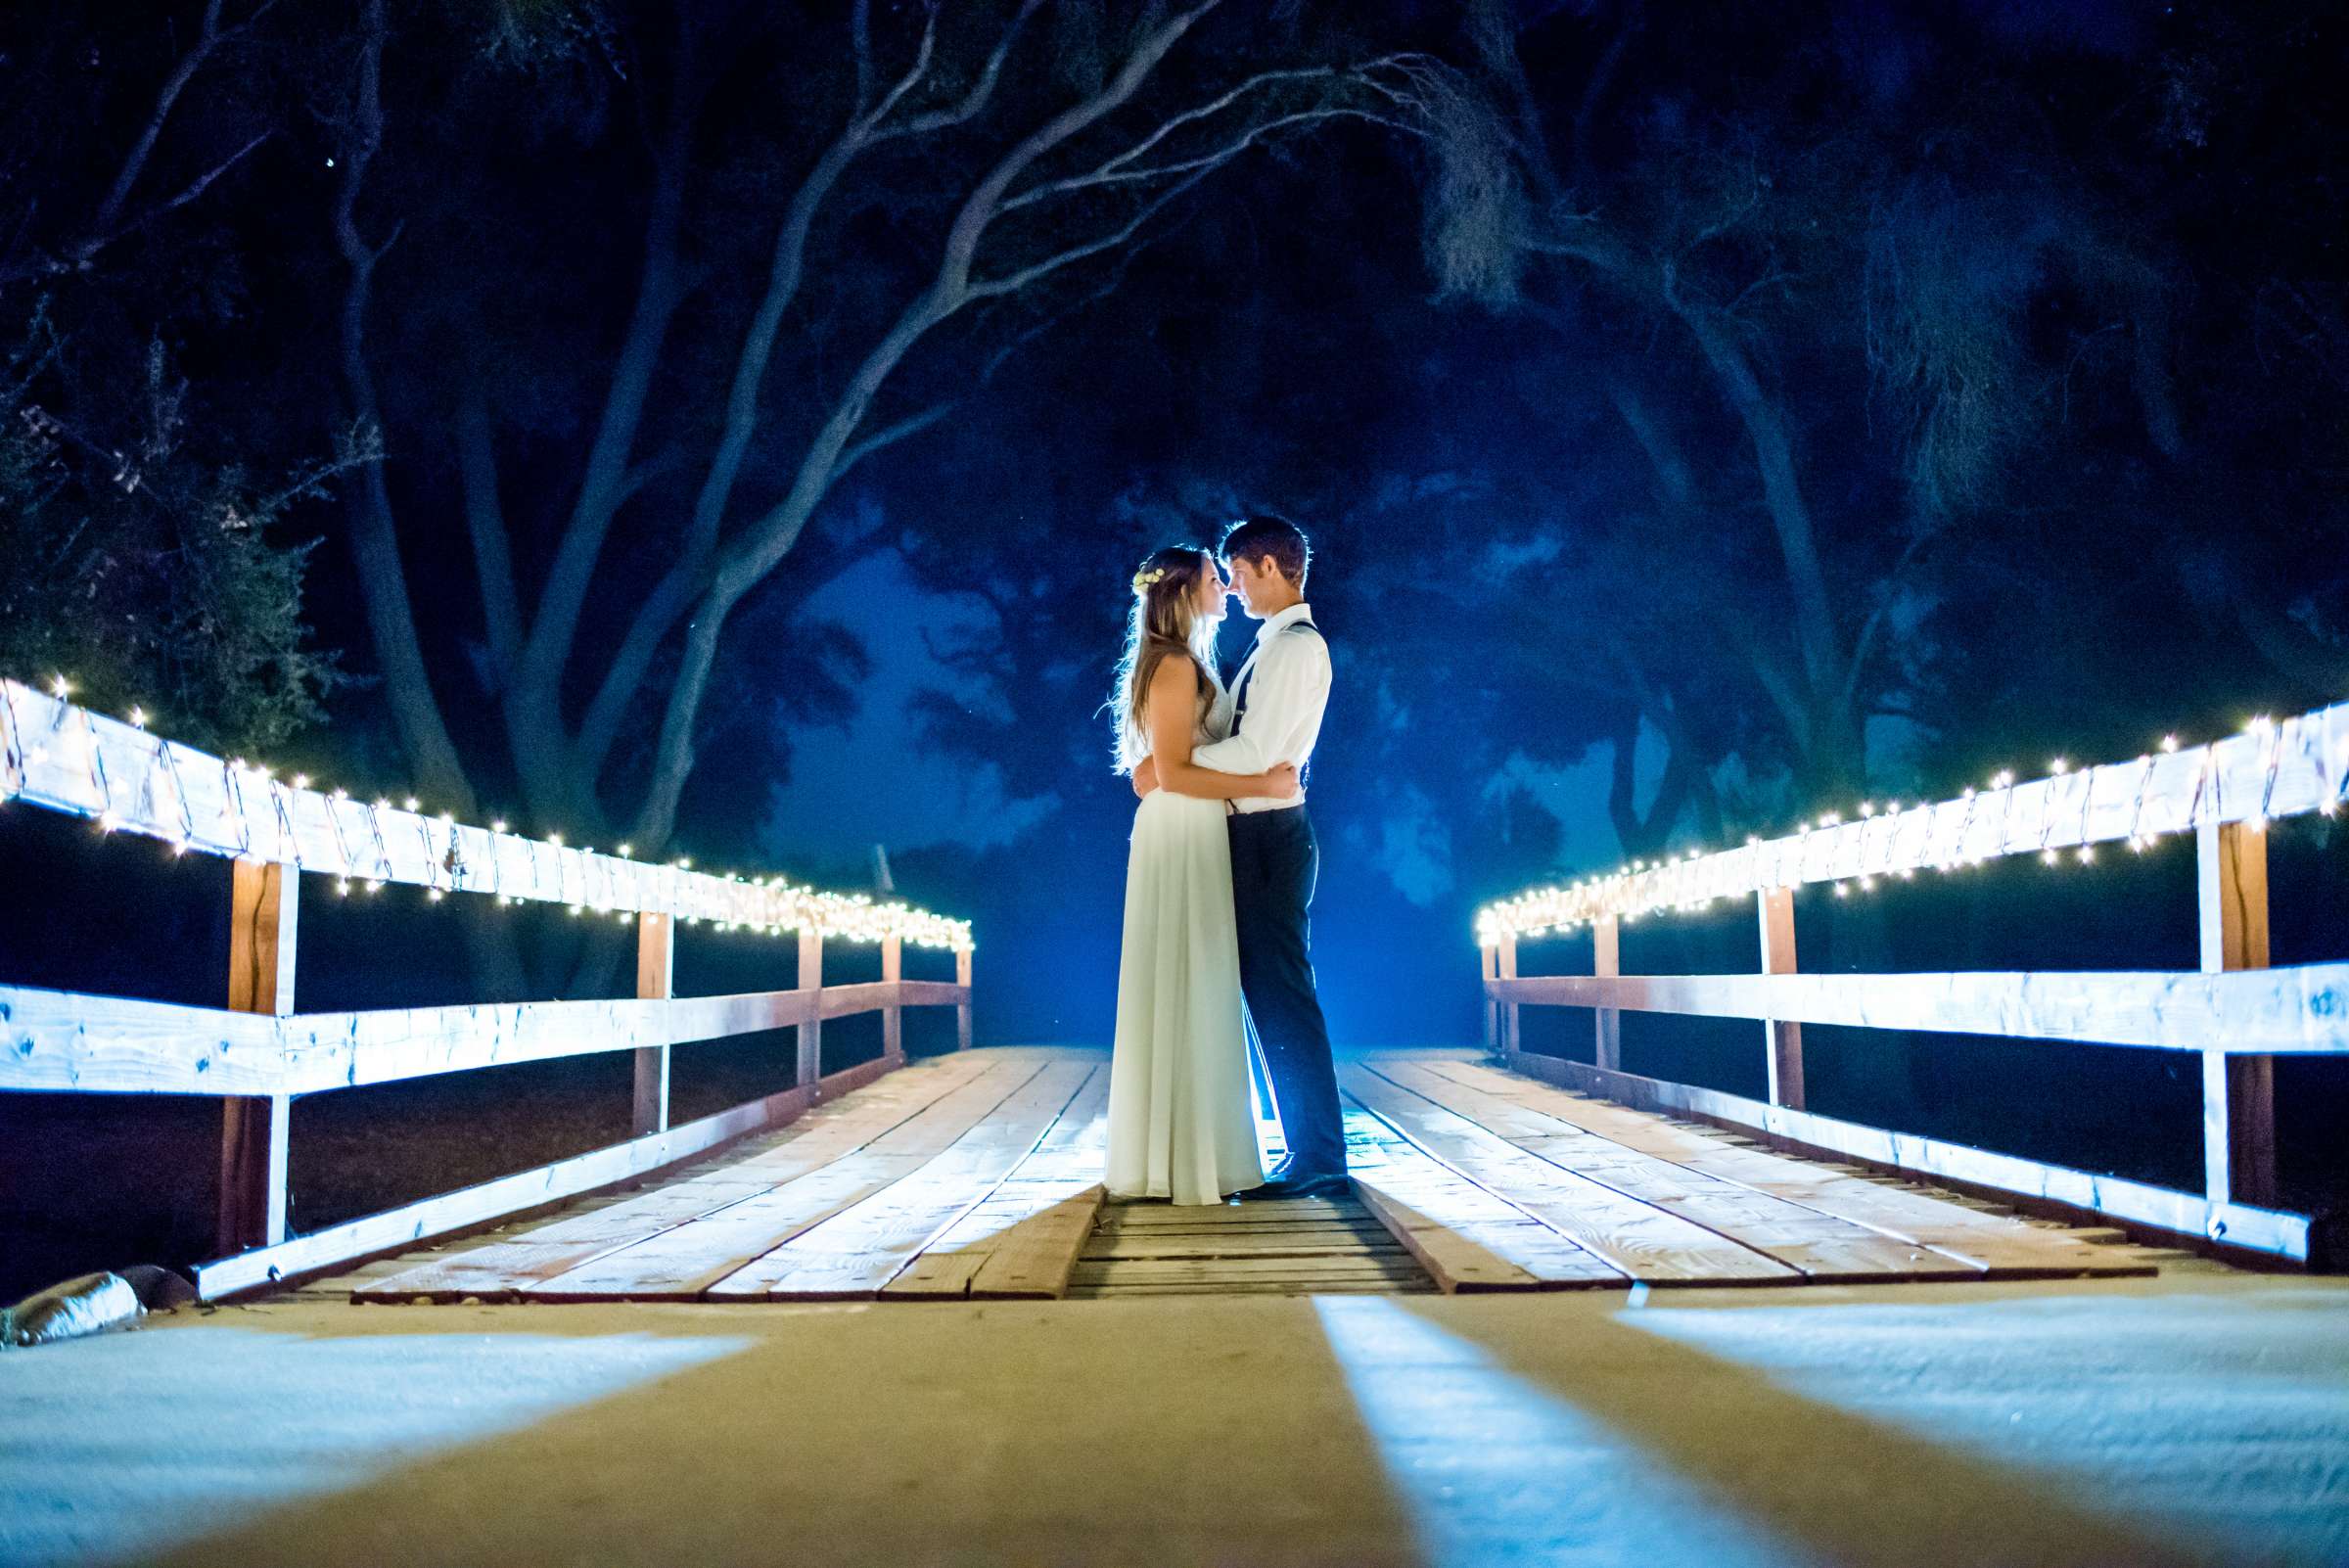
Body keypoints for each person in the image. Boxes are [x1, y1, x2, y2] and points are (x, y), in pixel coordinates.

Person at [1134, 515, 1345, 1201]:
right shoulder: (1271, 645)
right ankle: (1306, 1148)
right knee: (1267, 997)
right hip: (1251, 835)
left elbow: (1259, 756)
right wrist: (1172, 769)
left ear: (1269, 568)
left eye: (1238, 573)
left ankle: (1318, 1155)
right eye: (1220, 576)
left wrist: (1172, 769)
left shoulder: (1294, 649)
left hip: (1269, 838)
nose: (1231, 586)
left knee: (1283, 995)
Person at [1103, 544, 1300, 1205]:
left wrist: (1156, 771)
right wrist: (1262, 780)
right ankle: (1179, 1158)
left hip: (1189, 824)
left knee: (1195, 976)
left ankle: (1191, 1148)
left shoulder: (1183, 663)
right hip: (1183, 826)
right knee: (1188, 972)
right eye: (1216, 579)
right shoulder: (1177, 665)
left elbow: (1155, 767)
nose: (1225, 586)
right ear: (1186, 593)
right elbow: (1176, 773)